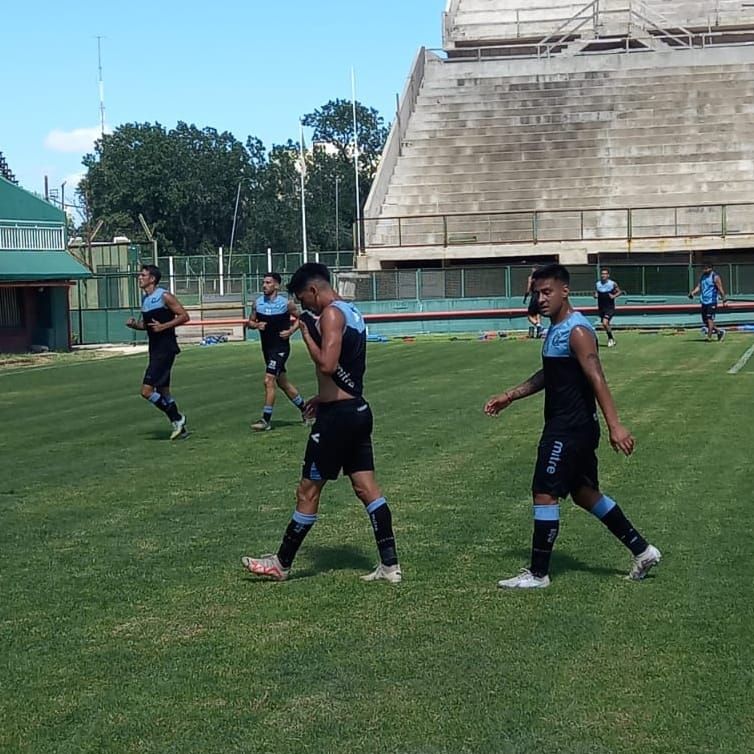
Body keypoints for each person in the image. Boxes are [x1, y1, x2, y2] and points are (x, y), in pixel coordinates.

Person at [484, 263, 660, 589]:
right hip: (569, 426)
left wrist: (616, 426)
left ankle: (538, 573)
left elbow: (597, 377)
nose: (541, 298)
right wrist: (511, 395)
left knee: (545, 492)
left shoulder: (577, 331)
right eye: (537, 292)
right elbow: (549, 375)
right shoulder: (556, 329)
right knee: (584, 493)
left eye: (547, 291)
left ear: (565, 291)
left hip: (570, 428)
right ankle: (643, 550)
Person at [242, 262, 401, 583]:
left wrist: (304, 330)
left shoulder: (330, 314)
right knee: (366, 488)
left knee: (308, 490)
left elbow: (328, 365)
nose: (304, 306)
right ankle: (390, 565)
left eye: (304, 300)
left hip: (337, 420)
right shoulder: (352, 311)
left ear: (314, 290)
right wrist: (322, 397)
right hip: (355, 409)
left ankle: (281, 563)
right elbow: (346, 367)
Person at [126, 264, 190, 440]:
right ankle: (181, 428)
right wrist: (135, 325)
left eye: (143, 275)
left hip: (166, 348)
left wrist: (164, 326)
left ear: (152, 279)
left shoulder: (164, 296)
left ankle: (178, 418)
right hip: (154, 349)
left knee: (146, 391)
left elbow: (184, 316)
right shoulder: (145, 300)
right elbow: (149, 328)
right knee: (164, 392)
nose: (139, 277)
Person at [247, 272, 307, 431]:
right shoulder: (257, 303)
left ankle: (265, 420)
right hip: (267, 349)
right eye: (263, 282)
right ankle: (306, 410)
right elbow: (250, 321)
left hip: (280, 349)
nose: (264, 285)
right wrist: (256, 325)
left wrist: (291, 331)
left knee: (268, 380)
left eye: (268, 282)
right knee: (283, 383)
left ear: (276, 285)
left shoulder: (286, 304)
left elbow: (301, 318)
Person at [689, 263, 727, 341]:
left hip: (712, 301)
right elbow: (699, 286)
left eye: (706, 268)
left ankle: (708, 337)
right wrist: (693, 292)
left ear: (710, 268)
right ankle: (719, 332)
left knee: (710, 320)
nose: (704, 270)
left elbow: (720, 289)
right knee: (705, 320)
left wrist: (724, 300)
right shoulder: (703, 276)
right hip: (704, 301)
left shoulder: (715, 277)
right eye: (703, 268)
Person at [594, 267, 622, 348]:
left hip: (609, 307)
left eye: (605, 274)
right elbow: (596, 292)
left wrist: (614, 296)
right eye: (602, 274)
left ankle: (610, 339)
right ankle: (612, 339)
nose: (603, 275)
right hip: (601, 307)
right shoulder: (598, 284)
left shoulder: (612, 284)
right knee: (605, 324)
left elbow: (619, 291)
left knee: (605, 323)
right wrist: (595, 295)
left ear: (608, 275)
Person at [523, 265, 543, 339]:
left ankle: (538, 326)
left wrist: (525, 297)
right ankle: (539, 332)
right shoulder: (541, 278)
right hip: (540, 295)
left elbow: (528, 289)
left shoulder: (531, 278)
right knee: (538, 314)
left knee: (529, 315)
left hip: (534, 296)